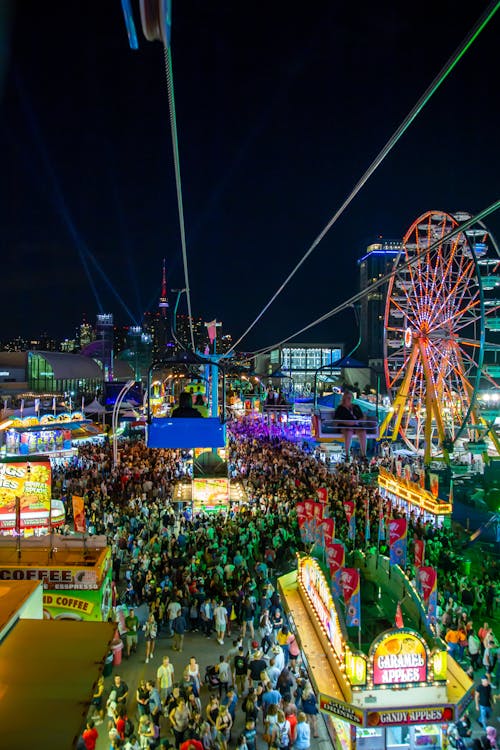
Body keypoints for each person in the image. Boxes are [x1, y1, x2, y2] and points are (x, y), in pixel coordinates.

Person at [334, 391, 367, 457]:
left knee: (363, 432)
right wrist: (347, 422)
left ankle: (364, 454)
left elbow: (362, 417)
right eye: (348, 398)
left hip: (356, 425)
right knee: (349, 432)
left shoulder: (356, 407)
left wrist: (358, 421)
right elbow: (336, 420)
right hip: (345, 426)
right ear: (344, 399)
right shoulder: (340, 408)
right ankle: (347, 454)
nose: (349, 399)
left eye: (350, 398)